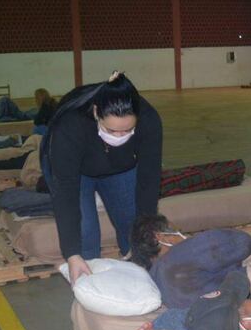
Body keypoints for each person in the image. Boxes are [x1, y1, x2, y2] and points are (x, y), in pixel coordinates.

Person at [42, 71, 163, 284]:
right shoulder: (71, 125)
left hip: (120, 169)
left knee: (133, 228)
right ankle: (90, 285)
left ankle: (137, 280)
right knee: (85, 235)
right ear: (97, 112)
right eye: (111, 130)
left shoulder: (149, 120)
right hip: (77, 173)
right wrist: (72, 254)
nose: (119, 137)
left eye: (127, 131)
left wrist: (146, 239)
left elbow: (148, 182)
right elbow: (66, 194)